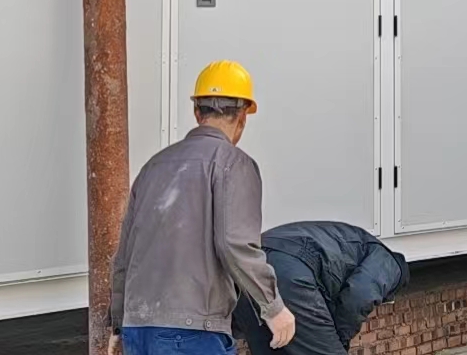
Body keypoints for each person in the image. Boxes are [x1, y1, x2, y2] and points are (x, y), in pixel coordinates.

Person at [109, 61, 296, 355]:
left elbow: (124, 256)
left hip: (138, 329)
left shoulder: (152, 167)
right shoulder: (233, 163)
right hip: (192, 332)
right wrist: (273, 308)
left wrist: (119, 322)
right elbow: (234, 244)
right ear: (243, 116)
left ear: (197, 112)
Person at [232, 221, 410, 355]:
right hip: (290, 275)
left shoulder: (353, 241)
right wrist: (338, 340)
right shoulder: (389, 263)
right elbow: (359, 296)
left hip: (250, 271)